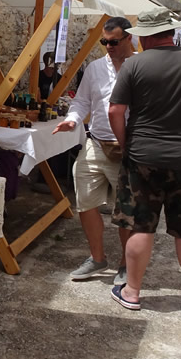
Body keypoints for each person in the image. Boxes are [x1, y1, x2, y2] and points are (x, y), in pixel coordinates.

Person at [107, 8, 181, 318]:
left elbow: (115, 111)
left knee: (140, 226)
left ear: (144, 36)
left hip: (142, 155)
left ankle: (132, 292)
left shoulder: (133, 65)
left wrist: (125, 144)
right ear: (171, 32)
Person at [52, 16, 134, 285]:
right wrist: (73, 119)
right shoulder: (95, 68)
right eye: (104, 42)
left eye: (114, 42)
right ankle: (97, 257)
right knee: (85, 202)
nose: (108, 46)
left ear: (128, 39)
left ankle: (126, 263)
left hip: (128, 148)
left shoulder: (139, 67)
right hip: (96, 143)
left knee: (126, 211)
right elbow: (82, 101)